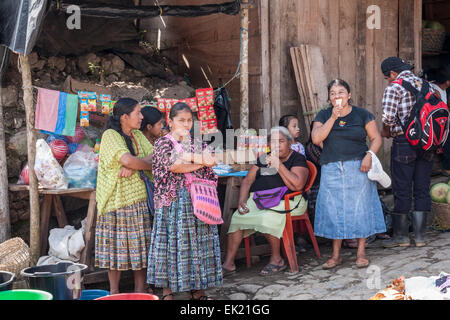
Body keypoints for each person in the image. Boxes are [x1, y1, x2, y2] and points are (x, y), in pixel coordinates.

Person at [147, 102, 222, 300]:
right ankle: (167, 291)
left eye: (189, 120)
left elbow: (213, 159)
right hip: (173, 204)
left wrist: (196, 160)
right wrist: (201, 161)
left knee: (197, 245)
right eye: (181, 120)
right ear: (170, 122)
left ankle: (197, 289)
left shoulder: (197, 142)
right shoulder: (163, 143)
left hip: (198, 200)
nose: (186, 124)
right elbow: (175, 166)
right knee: (172, 244)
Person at [311, 79, 386, 269]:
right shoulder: (324, 115)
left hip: (358, 167)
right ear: (329, 98)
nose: (337, 96)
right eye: (333, 93)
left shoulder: (362, 114)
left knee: (360, 208)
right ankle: (336, 255)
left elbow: (376, 138)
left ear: (349, 95)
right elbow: (316, 138)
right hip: (332, 168)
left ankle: (361, 252)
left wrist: (369, 155)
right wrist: (333, 118)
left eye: (341, 92)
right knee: (334, 210)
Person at [222, 127, 309, 276]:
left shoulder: (297, 158)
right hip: (262, 200)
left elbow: (298, 185)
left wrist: (278, 165)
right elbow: (248, 180)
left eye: (281, 141)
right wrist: (242, 200)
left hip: (289, 201)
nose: (277, 146)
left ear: (289, 143)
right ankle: (229, 263)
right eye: (273, 143)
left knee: (267, 217)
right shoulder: (264, 158)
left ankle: (277, 259)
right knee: (237, 217)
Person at [95, 98, 154, 294]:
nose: (141, 117)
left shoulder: (137, 135)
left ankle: (140, 293)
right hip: (116, 202)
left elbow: (157, 156)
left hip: (139, 201)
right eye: (138, 113)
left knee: (141, 252)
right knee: (114, 253)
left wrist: (134, 166)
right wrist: (134, 163)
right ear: (124, 117)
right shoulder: (110, 136)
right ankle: (113, 293)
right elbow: (127, 159)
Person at [380, 57, 436, 248]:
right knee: (422, 187)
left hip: (405, 142)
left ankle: (401, 237)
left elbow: (387, 118)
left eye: (387, 77)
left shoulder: (394, 87)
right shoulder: (427, 85)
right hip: (427, 142)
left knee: (402, 189)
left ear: (393, 74)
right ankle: (420, 236)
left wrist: (385, 132)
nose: (388, 80)